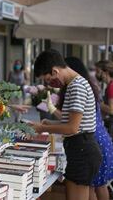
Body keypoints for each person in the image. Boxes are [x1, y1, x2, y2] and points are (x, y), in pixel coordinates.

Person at [28, 49, 102, 200]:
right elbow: (74, 122)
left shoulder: (76, 87)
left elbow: (72, 128)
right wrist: (50, 122)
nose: (50, 84)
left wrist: (42, 128)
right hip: (81, 147)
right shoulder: (75, 84)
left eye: (48, 80)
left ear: (55, 71)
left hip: (81, 149)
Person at [44, 57, 113, 200]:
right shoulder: (86, 86)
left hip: (92, 141)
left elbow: (72, 125)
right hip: (97, 140)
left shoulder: (78, 88)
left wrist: (49, 115)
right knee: (95, 186)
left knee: (96, 186)